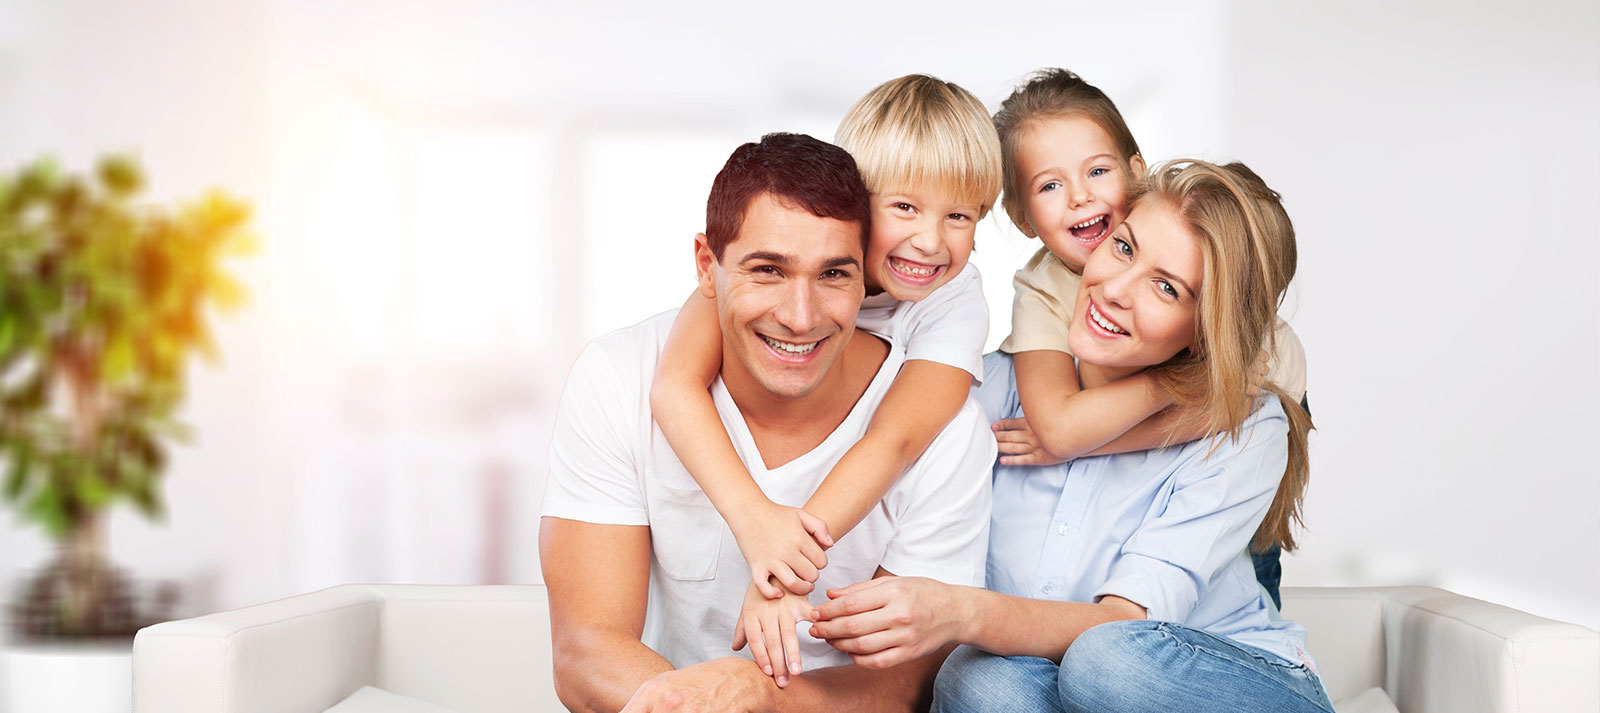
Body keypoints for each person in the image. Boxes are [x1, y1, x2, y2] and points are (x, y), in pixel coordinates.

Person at [807, 160, 1335, 713]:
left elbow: (1117, 626)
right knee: (980, 685)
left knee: (1108, 661)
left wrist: (961, 611)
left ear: (1208, 328)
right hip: (1061, 681)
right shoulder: (983, 389)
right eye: (1125, 248)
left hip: (1234, 684)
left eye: (1166, 288)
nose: (1114, 290)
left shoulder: (1244, 428)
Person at [539, 132, 994, 713]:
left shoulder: (947, 433)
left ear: (867, 277)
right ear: (707, 266)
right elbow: (584, 651)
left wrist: (758, 697)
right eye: (768, 270)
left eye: (833, 274)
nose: (800, 318)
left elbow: (899, 689)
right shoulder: (620, 375)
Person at [646, 75, 1002, 683]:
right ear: (856, 203)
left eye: (960, 215)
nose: (930, 240)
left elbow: (896, 439)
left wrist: (784, 568)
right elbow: (674, 387)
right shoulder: (770, 258)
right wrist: (756, 522)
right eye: (905, 207)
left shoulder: (954, 302)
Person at [989, 68, 1307, 604]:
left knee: (1245, 570)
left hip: (1234, 446)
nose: (1080, 197)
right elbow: (1061, 428)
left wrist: (1169, 394)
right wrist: (1169, 388)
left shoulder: (1229, 297)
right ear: (1022, 218)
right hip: (1174, 414)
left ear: (1136, 174)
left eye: (1097, 170)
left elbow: (1240, 409)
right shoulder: (1044, 288)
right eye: (1049, 185)